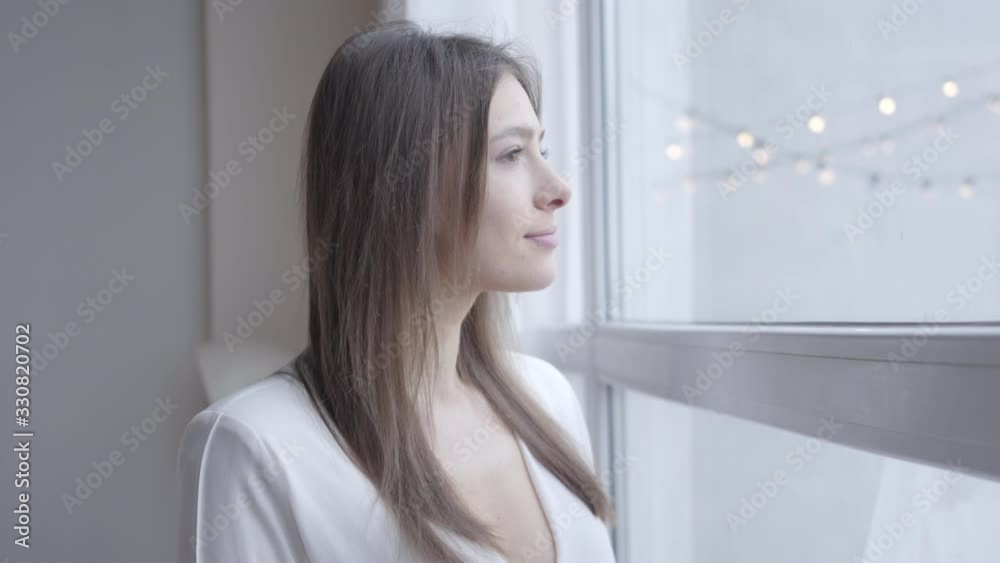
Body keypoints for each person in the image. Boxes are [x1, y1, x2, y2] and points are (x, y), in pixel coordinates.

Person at [177, 20, 617, 563]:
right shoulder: (253, 444)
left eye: (541, 149)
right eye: (511, 155)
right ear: (405, 188)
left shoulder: (548, 397)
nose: (558, 189)